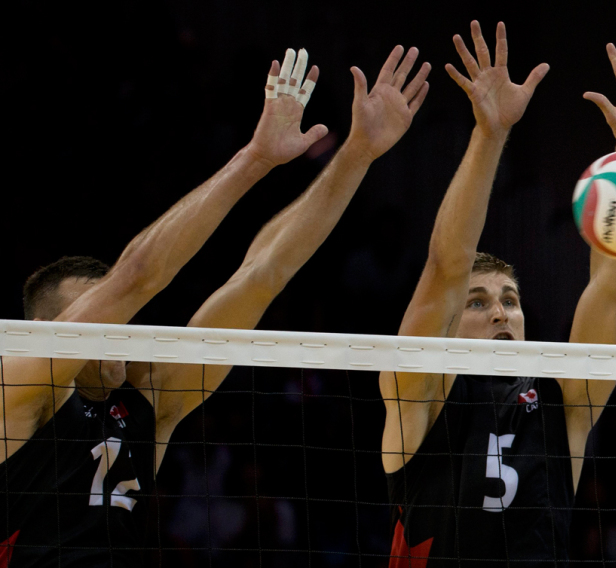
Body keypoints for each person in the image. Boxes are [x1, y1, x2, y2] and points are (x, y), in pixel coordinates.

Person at [1, 46, 429, 566]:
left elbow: (263, 274)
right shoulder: (19, 392)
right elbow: (137, 277)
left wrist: (358, 152)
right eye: (98, 321)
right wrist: (255, 159)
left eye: (123, 323)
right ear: (46, 331)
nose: (118, 330)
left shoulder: (149, 404)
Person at [381, 23, 616, 566]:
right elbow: (445, 266)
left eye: (511, 300)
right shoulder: (419, 393)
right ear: (449, 322)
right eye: (477, 302)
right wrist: (490, 131)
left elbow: (608, 297)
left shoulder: (561, 404)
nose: (501, 311)